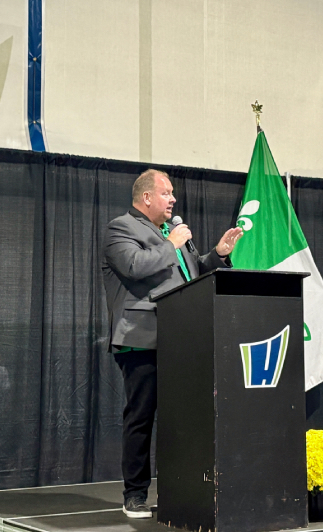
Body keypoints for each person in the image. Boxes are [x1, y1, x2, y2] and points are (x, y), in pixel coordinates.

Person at [102, 169, 243, 519]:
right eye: (166, 193)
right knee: (141, 417)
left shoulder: (170, 233)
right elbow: (134, 266)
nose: (173, 200)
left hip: (181, 339)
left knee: (181, 419)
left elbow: (192, 275)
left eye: (172, 193)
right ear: (146, 197)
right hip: (141, 339)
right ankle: (134, 495)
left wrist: (218, 254)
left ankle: (179, 489)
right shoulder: (121, 228)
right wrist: (172, 244)